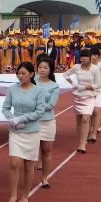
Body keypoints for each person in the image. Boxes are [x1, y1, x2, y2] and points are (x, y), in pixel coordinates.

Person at [2, 61, 43, 202]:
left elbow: (39, 112)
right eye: (18, 73)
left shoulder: (39, 91)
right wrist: (12, 118)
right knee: (14, 163)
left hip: (31, 131)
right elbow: (5, 108)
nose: (20, 76)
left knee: (28, 165)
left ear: (31, 74)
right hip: (16, 131)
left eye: (23, 73)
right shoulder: (12, 89)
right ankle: (13, 195)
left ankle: (25, 195)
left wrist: (22, 119)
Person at [64, 49, 99, 154]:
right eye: (82, 57)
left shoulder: (95, 69)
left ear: (90, 58)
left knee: (85, 119)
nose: (84, 58)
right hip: (78, 96)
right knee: (79, 121)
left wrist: (88, 87)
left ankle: (83, 144)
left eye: (86, 57)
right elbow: (65, 75)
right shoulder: (76, 67)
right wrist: (74, 84)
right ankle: (80, 141)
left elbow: (98, 84)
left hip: (90, 96)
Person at [33, 57, 61, 189]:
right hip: (33, 122)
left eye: (45, 67)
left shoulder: (54, 86)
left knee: (47, 150)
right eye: (40, 67)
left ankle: (45, 178)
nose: (42, 70)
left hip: (47, 121)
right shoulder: (32, 83)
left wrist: (36, 105)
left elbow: (51, 105)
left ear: (50, 70)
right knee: (31, 150)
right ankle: (29, 176)